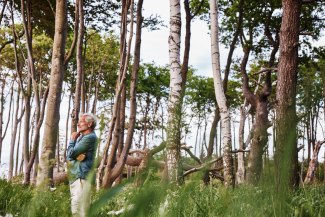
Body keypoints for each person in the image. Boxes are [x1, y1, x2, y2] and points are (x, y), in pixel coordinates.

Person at [67, 113, 98, 217]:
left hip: (82, 177)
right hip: (76, 177)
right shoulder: (82, 138)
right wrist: (75, 155)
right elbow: (70, 157)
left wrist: (72, 140)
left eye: (81, 122)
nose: (78, 124)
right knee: (76, 210)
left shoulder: (89, 138)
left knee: (81, 211)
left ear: (89, 124)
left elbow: (70, 153)